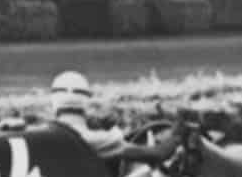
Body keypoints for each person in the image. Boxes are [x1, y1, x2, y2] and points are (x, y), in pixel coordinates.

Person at [49, 70, 182, 167]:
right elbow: (157, 154)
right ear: (86, 101)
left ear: (53, 100)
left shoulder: (40, 133)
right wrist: (178, 134)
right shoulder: (97, 140)